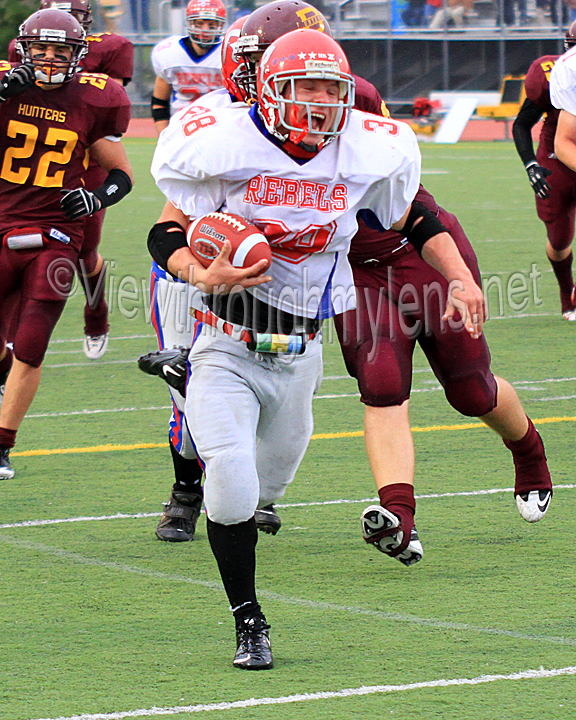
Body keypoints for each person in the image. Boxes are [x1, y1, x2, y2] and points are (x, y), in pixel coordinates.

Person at [149, 27, 485, 669]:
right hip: (228, 339)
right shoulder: (224, 142)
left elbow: (416, 217)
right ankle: (249, 620)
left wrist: (461, 277)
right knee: (232, 487)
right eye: (304, 88)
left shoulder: (367, 148)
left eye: (331, 90)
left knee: (270, 485)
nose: (319, 103)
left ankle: (183, 388)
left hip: (302, 353)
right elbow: (166, 228)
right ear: (271, 91)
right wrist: (198, 270)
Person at [140, 1, 333, 543]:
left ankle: (251, 488)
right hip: (203, 272)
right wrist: (194, 273)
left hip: (290, 289)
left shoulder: (342, 118)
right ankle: (185, 493)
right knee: (198, 388)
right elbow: (167, 227)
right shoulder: (215, 121)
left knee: (282, 387)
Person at [0, 8, 133, 480]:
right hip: (1, 222)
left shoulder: (96, 98)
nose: (51, 59)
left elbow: (121, 174)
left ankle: (2, 444)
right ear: (24, 50)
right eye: (42, 49)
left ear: (80, 55)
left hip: (57, 232)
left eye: (61, 50)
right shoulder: (4, 84)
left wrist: (95, 196)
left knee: (31, 342)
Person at [8, 0, 134, 359]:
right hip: (28, 152)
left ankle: (96, 315)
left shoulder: (107, 56)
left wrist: (97, 194)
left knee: (84, 252)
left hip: (83, 153)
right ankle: (14, 342)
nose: (52, 46)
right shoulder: (23, 52)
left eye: (71, 22)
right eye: (42, 43)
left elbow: (107, 110)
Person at [512, 23, 576, 321]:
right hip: (556, 157)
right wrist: (530, 165)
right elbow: (522, 123)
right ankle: (568, 294)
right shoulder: (557, 73)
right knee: (560, 238)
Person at [150, 0, 226, 136]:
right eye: (199, 24)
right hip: (181, 125)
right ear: (190, 23)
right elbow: (159, 102)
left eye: (211, 24)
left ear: (220, 25)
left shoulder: (229, 52)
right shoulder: (169, 53)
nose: (205, 30)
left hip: (222, 125)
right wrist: (164, 137)